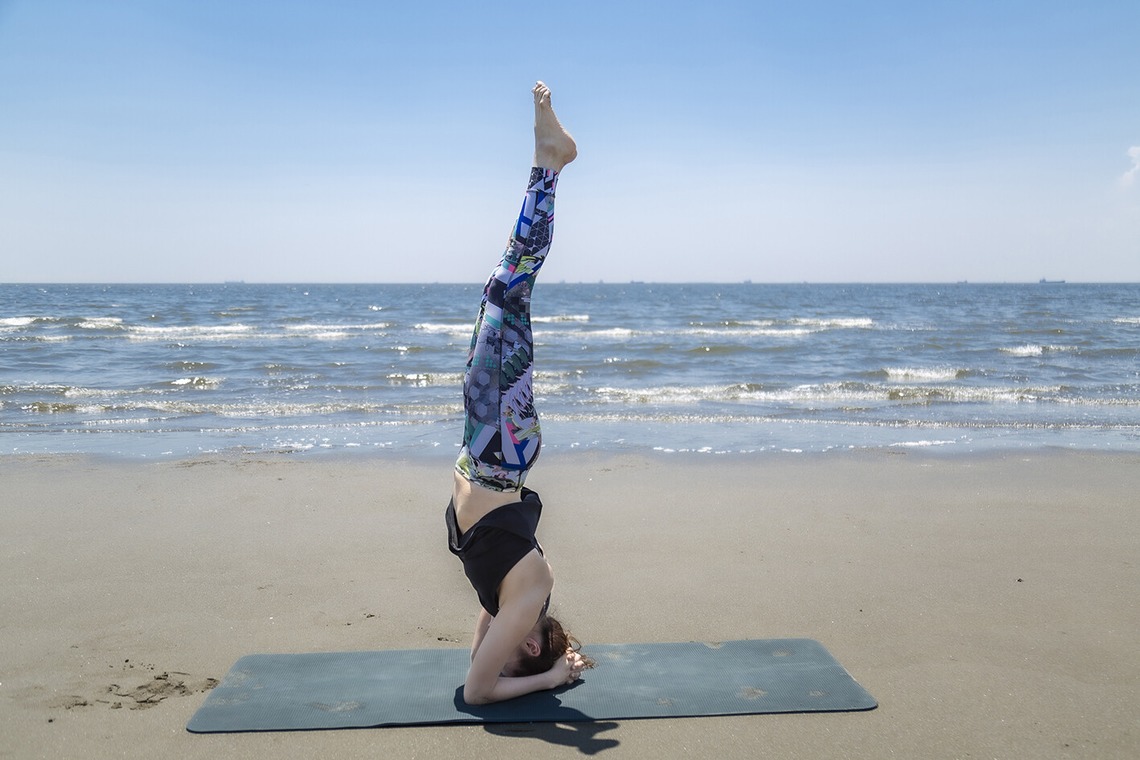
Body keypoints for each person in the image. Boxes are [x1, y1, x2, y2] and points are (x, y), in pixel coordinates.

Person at [446, 81, 593, 705]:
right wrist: (555, 678)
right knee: (510, 284)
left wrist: (542, 669)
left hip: (486, 445)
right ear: (530, 645)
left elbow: (480, 667)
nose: (495, 652)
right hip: (501, 450)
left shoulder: (500, 601)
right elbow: (477, 693)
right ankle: (548, 162)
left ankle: (550, 161)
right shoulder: (528, 593)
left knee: (503, 289)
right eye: (516, 655)